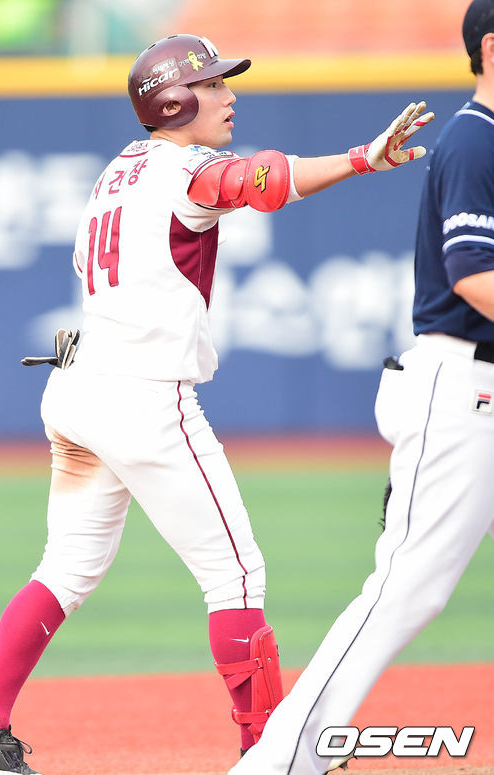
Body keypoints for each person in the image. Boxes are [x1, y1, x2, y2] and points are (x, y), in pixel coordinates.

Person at [0, 33, 433, 775]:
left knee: (66, 568)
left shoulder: (117, 171)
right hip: (143, 397)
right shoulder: (184, 170)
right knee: (236, 576)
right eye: (213, 84)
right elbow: (262, 181)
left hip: (78, 384)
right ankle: (267, 749)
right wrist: (361, 158)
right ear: (175, 101)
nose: (228, 94)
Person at [227, 1, 494, 774]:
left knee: (411, 586)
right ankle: (280, 762)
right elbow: (474, 275)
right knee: (408, 588)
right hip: (463, 386)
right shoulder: (475, 140)